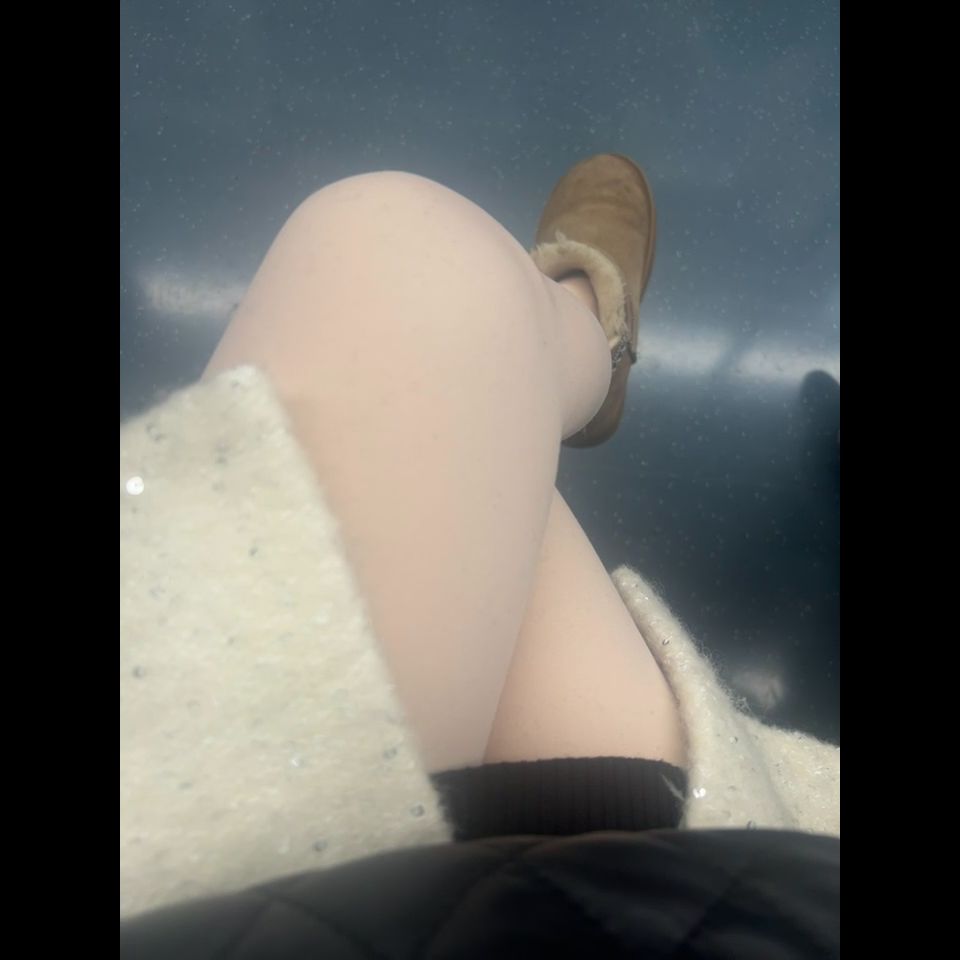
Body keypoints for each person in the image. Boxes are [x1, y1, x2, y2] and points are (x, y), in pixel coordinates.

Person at [120, 155, 839, 953]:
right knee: (405, 262)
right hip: (692, 897)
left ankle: (574, 340)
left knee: (409, 266)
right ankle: (583, 341)